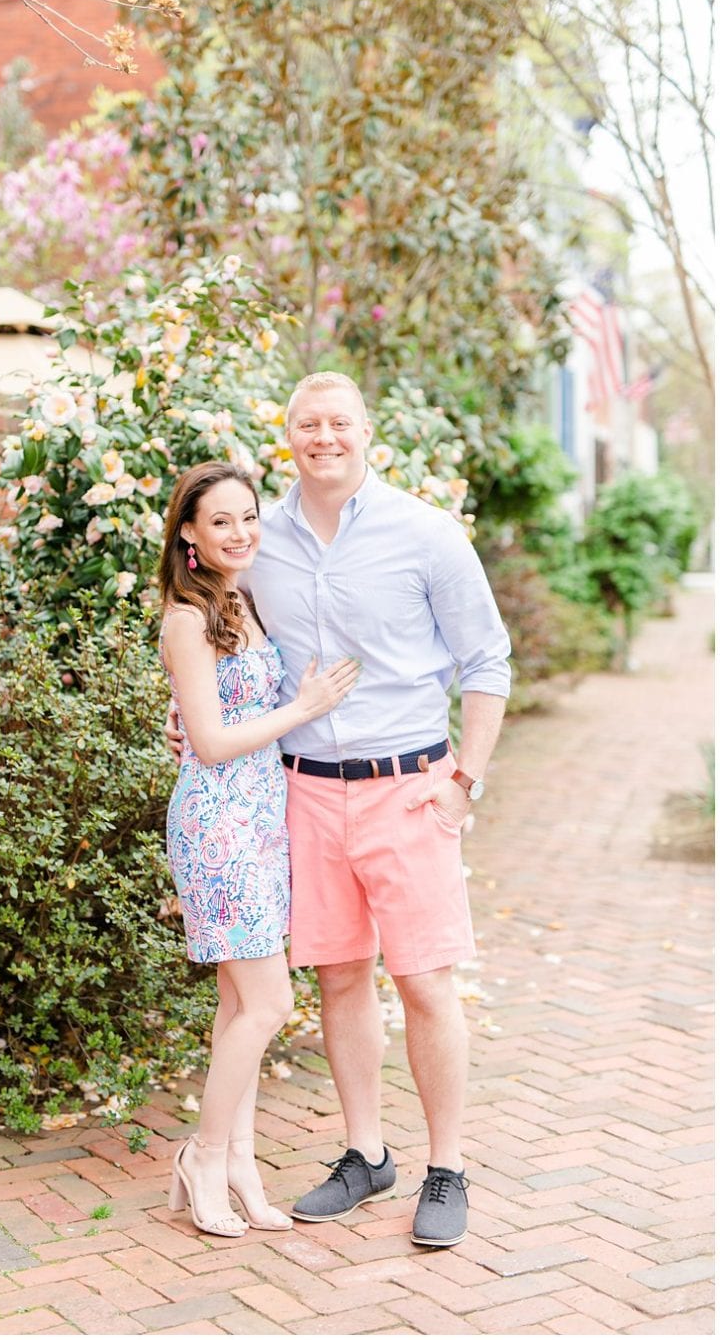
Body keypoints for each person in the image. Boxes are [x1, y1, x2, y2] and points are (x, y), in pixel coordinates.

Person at [168, 371, 511, 1249]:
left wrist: (463, 782)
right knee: (341, 975)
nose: (325, 436)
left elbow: (486, 661)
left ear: (367, 430)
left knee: (427, 981)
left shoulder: (426, 533)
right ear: (289, 436)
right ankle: (365, 1154)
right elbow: (211, 651)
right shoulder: (258, 537)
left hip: (410, 787)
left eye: (340, 422)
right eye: (307, 424)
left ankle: (447, 1165)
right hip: (304, 793)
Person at [157, 461, 360, 1238]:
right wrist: (301, 707)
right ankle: (204, 1155)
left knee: (240, 1000)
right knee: (271, 1000)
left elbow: (202, 715)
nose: (241, 532)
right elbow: (208, 742)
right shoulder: (186, 616)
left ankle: (240, 1160)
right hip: (219, 824)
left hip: (262, 819)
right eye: (221, 521)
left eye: (249, 516)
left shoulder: (242, 599)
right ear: (189, 535)